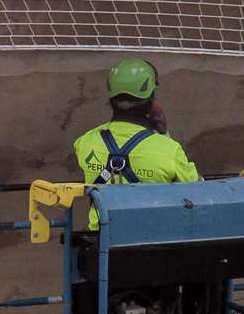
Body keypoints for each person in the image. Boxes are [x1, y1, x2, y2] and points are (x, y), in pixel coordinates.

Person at [72, 58, 200, 231]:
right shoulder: (169, 150)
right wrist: (164, 134)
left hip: (102, 245)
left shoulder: (85, 142)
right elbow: (198, 190)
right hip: (153, 244)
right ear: (152, 100)